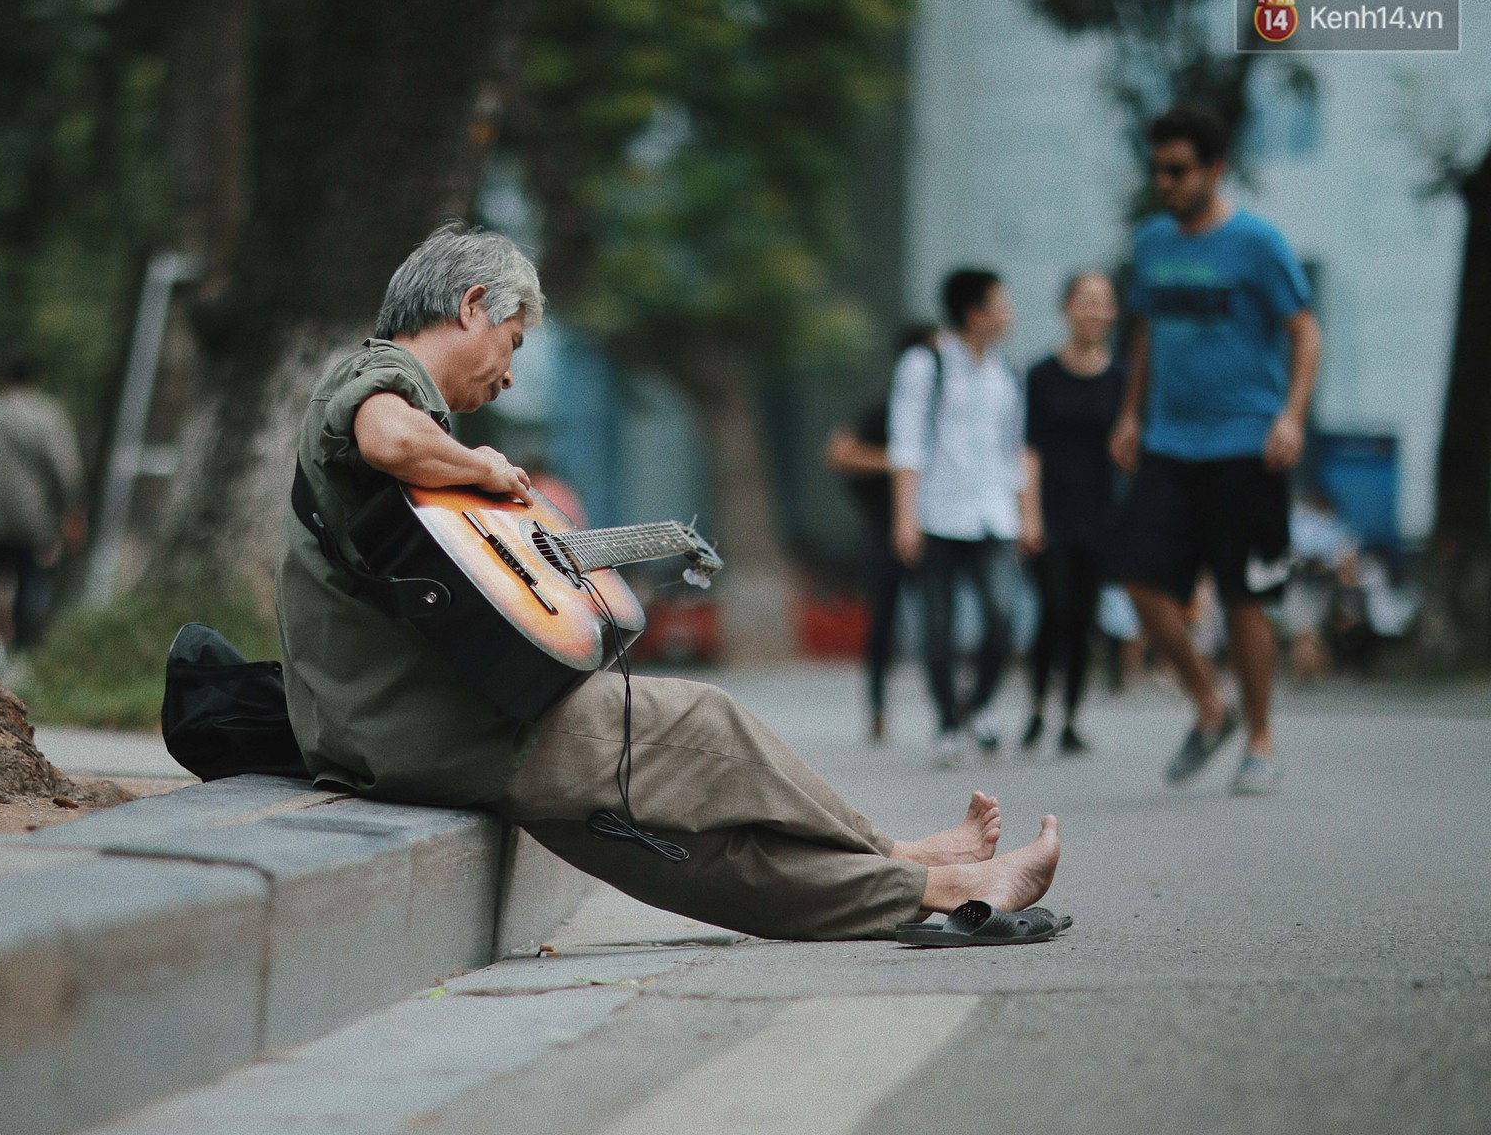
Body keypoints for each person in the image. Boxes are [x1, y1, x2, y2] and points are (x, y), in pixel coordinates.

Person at [276, 224, 1064, 943]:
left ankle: (933, 887)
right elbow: (384, 433)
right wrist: (482, 464)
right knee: (706, 722)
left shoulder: (419, 439)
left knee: (690, 857)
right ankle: (894, 847)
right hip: (437, 731)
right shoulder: (380, 372)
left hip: (409, 734)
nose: (512, 377)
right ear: (472, 305)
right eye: (512, 343)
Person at [1109, 105, 1322, 795]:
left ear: (1214, 170)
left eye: (1178, 170)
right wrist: (1131, 414)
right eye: (1158, 171)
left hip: (1245, 443)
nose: (1165, 182)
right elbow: (1146, 332)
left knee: (1243, 596)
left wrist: (1291, 416)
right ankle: (1210, 703)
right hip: (1170, 441)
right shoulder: (1151, 243)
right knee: (1140, 579)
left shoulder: (1257, 243)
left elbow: (1305, 331)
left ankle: (1260, 739)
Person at [887, 269, 1043, 768]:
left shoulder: (1008, 372)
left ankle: (974, 707)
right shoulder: (925, 364)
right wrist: (903, 516)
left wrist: (1027, 513)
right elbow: (906, 442)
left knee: (1005, 616)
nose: (1009, 314)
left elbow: (1016, 448)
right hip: (936, 513)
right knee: (939, 626)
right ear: (975, 313)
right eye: (1001, 304)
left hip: (993, 514)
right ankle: (949, 724)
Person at [1020, 272, 1127, 754]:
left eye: (1102, 303)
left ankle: (1071, 718)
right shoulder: (1040, 375)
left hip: (1100, 514)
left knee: (1084, 617)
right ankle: (1038, 706)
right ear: (1066, 308)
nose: (1094, 311)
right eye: (1085, 301)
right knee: (1053, 609)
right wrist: (1029, 515)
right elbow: (1029, 451)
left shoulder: (1121, 379)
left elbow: (1130, 451)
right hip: (1050, 511)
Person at [825, 323, 937, 744]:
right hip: (882, 526)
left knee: (937, 621)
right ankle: (876, 706)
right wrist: (901, 462)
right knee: (883, 622)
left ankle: (951, 709)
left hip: (936, 528)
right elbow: (838, 452)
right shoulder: (885, 410)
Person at [0, 358, 89, 660]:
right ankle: (21, 651)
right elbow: (66, 469)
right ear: (38, 380)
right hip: (33, 518)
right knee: (29, 580)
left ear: (3, 380)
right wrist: (73, 509)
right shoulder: (49, 416)